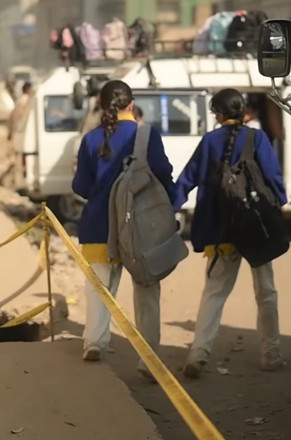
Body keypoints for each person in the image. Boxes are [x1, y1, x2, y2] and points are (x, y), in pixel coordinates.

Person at [172, 88, 288, 377]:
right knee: (266, 292)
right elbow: (273, 177)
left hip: (220, 230)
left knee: (214, 293)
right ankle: (271, 354)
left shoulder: (209, 142)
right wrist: (279, 204)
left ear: (217, 114)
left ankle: (198, 354)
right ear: (243, 112)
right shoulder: (257, 138)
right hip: (255, 227)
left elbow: (187, 179)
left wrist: (169, 206)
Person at [72, 80, 176, 382]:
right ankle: (148, 360)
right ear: (131, 104)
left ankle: (94, 342)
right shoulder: (146, 135)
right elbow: (163, 173)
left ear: (102, 105)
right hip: (139, 227)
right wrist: (170, 206)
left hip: (98, 226)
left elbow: (80, 186)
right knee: (147, 290)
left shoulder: (91, 139)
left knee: (98, 288)